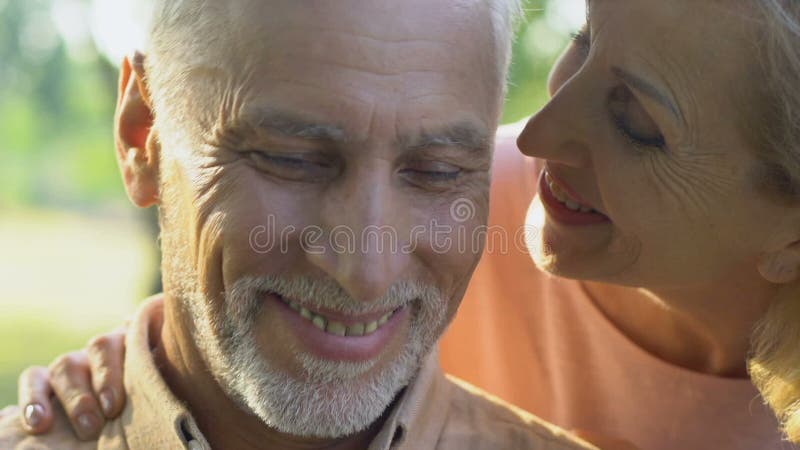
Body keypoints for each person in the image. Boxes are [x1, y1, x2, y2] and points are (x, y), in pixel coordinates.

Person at [13, 0, 800, 449]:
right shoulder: (518, 196)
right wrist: (141, 386)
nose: (536, 136)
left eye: (637, 122)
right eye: (293, 158)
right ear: (141, 133)